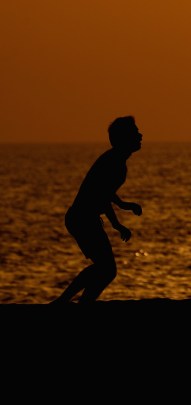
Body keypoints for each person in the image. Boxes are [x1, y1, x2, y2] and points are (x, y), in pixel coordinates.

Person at [54, 115, 144, 303]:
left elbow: (106, 192)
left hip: (85, 218)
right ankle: (65, 301)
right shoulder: (114, 162)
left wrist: (124, 205)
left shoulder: (116, 161)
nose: (140, 136)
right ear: (124, 139)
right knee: (106, 268)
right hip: (81, 219)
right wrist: (117, 225)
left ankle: (81, 302)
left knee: (106, 269)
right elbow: (101, 195)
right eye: (135, 133)